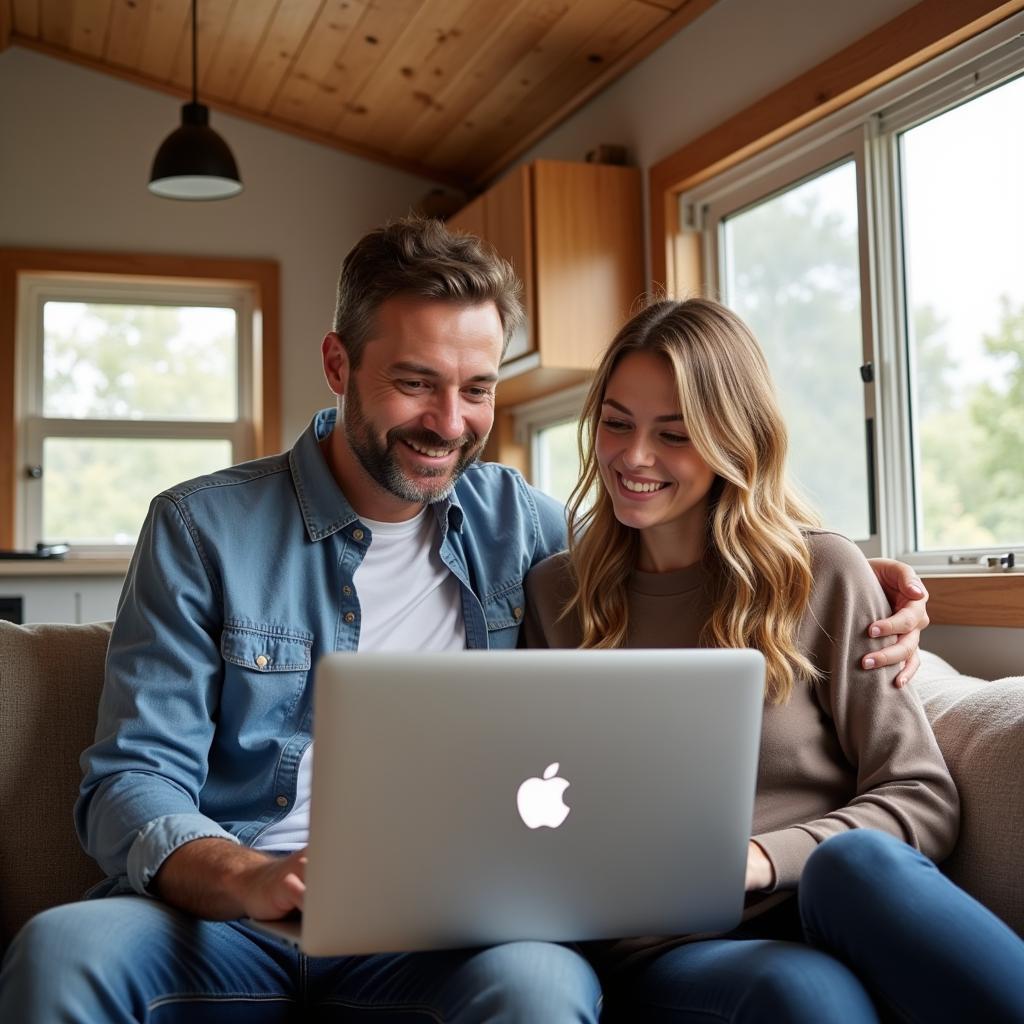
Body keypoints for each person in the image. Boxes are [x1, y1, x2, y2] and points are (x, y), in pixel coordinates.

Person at [0, 221, 929, 1023]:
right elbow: (129, 780)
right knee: (63, 950)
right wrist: (243, 874)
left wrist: (855, 575)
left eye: (477, 388)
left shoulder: (519, 525)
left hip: (438, 938)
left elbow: (678, 541)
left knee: (538, 981)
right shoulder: (201, 528)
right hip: (225, 922)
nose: (450, 422)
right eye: (415, 383)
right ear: (338, 365)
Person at [522, 297, 1024, 1023]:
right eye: (616, 422)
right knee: (803, 994)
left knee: (854, 865)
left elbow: (921, 796)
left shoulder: (822, 574)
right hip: (672, 946)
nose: (634, 457)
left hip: (831, 902)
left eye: (675, 434)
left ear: (735, 439)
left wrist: (759, 859)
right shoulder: (555, 593)